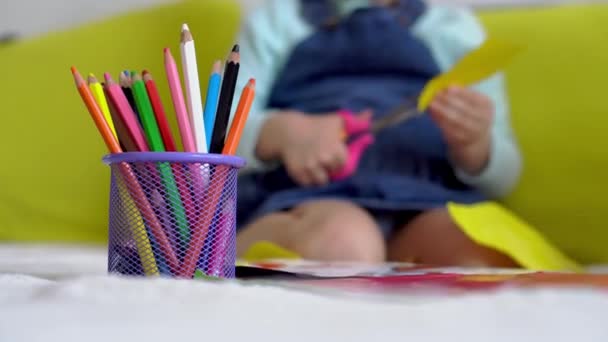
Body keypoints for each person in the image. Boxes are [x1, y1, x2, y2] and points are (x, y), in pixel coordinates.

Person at [230, 0, 523, 267]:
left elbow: (505, 178)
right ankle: (229, 249)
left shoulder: (455, 31)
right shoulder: (277, 22)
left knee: (476, 256)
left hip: (428, 203)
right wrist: (285, 132)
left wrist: (476, 145)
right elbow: (220, 135)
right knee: (343, 243)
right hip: (305, 199)